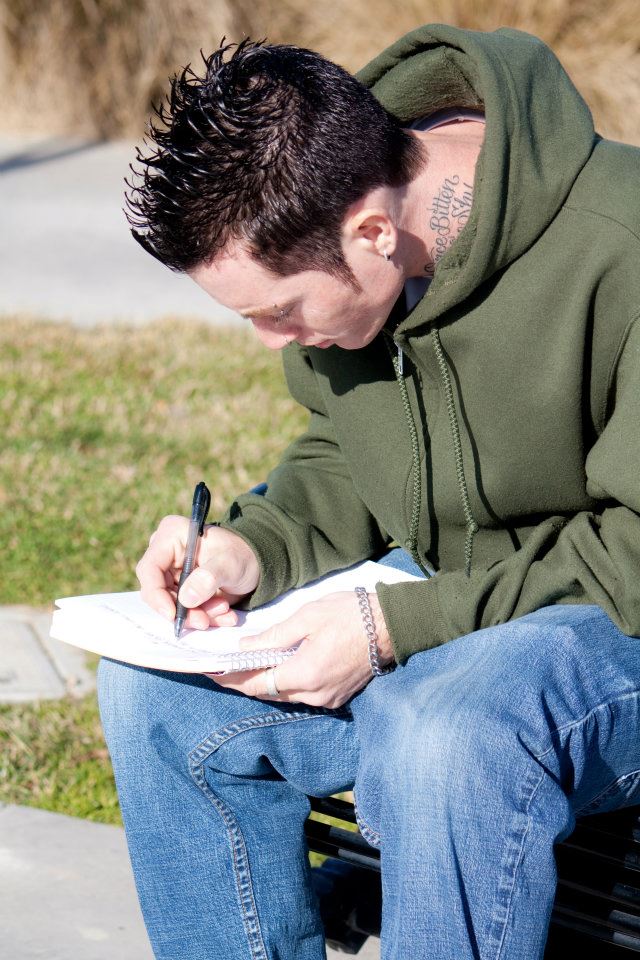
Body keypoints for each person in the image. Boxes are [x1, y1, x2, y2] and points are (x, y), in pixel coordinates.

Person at [98, 23, 640, 960]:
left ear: (375, 233)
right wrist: (255, 545)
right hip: (449, 606)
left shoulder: (620, 245)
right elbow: (350, 449)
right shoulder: (357, 236)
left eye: (278, 311)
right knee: (154, 691)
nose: (273, 343)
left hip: (612, 622)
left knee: (448, 730)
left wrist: (399, 630)